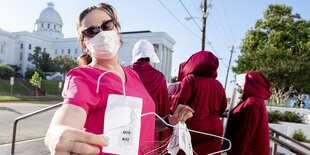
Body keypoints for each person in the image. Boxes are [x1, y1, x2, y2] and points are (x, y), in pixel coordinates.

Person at [44, 3, 194, 155]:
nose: (101, 33)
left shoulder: (132, 74)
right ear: (85, 45)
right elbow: (70, 114)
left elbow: (136, 125)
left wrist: (169, 121)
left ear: (116, 30)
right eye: (92, 31)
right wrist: (57, 133)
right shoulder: (82, 76)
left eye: (107, 25)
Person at [171, 51, 227, 155]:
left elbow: (178, 105)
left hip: (193, 129)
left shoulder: (190, 79)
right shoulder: (218, 84)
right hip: (214, 130)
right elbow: (222, 107)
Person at [129, 39, 170, 150]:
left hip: (128, 127)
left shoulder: (125, 73)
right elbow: (163, 108)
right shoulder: (159, 77)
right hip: (151, 126)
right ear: (150, 56)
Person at [222, 72, 272, 155]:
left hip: (249, 150)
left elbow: (245, 132)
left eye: (243, 84)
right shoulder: (255, 100)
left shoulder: (252, 103)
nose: (242, 87)